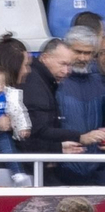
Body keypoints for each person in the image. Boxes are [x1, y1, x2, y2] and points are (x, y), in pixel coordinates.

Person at [19, 37, 90, 181]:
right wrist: (79, 137)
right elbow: (37, 131)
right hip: (29, 167)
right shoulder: (34, 84)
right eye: (63, 64)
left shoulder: (44, 81)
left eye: (70, 65)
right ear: (45, 58)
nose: (67, 71)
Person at [53, 24, 105, 184]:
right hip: (62, 169)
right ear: (66, 49)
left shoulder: (101, 82)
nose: (82, 58)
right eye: (78, 51)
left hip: (99, 170)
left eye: (87, 53)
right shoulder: (54, 81)